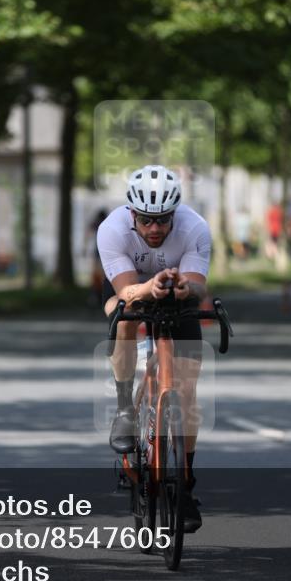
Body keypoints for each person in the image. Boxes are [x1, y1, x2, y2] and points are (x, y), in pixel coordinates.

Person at [97, 165, 211, 533]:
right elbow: (126, 291)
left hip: (176, 295)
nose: (155, 228)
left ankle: (186, 483)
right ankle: (125, 407)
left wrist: (183, 288)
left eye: (163, 220)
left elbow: (198, 286)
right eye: (146, 220)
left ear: (174, 214)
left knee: (189, 388)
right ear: (132, 214)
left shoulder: (194, 228)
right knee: (125, 317)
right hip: (130, 288)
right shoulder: (111, 230)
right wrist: (150, 288)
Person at [88, 208, 109, 306]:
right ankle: (100, 294)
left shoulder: (97, 223)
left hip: (98, 251)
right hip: (104, 251)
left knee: (96, 273)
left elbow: (88, 232)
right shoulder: (107, 223)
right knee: (104, 274)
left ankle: (95, 294)